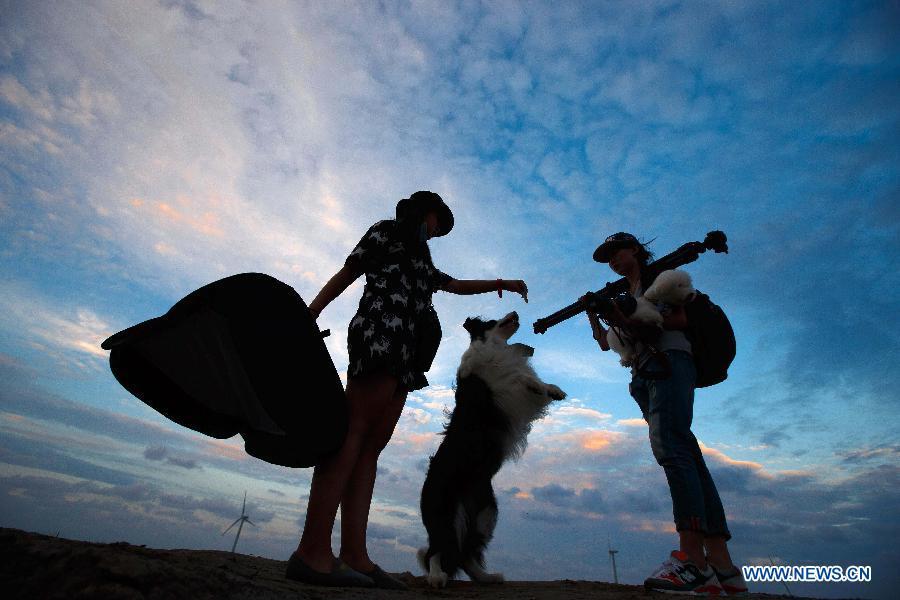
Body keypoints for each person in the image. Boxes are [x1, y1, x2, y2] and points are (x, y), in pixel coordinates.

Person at [286, 191, 529, 588]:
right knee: (351, 436)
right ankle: (312, 552)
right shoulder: (385, 233)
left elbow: (454, 285)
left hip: (407, 352)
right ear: (424, 211)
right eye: (437, 223)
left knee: (371, 447)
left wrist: (500, 283)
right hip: (379, 333)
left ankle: (355, 555)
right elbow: (348, 273)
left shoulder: (422, 255)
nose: (436, 232)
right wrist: (309, 313)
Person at [586, 232, 749, 596]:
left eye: (618, 250)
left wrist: (621, 313)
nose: (612, 258)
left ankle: (692, 559)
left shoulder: (661, 280)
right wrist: (596, 315)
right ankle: (721, 566)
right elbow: (607, 343)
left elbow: (672, 320)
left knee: (672, 449)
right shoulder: (626, 293)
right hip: (644, 372)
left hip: (670, 361)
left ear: (636, 250)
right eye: (607, 255)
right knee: (686, 453)